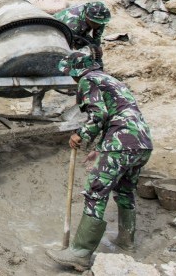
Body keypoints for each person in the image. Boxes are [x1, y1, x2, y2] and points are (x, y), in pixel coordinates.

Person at [46, 52, 153, 272]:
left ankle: (80, 253)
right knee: (124, 191)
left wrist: (81, 135)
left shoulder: (88, 80)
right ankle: (126, 241)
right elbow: (118, 115)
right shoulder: (111, 80)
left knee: (96, 192)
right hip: (141, 143)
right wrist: (98, 148)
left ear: (76, 71)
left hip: (120, 144)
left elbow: (99, 114)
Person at [54, 1, 111, 69]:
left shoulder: (100, 20)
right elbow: (68, 46)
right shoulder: (73, 23)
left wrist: (97, 47)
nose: (97, 25)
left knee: (95, 52)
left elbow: (97, 36)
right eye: (94, 23)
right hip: (59, 32)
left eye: (99, 23)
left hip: (80, 29)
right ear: (87, 17)